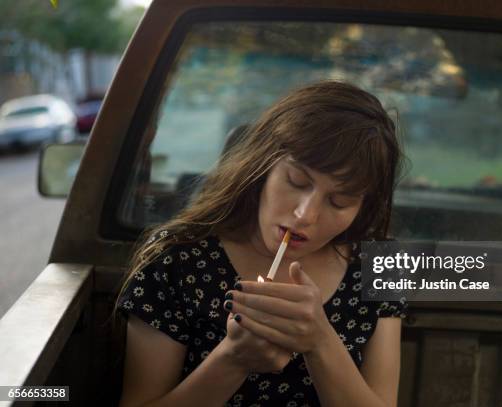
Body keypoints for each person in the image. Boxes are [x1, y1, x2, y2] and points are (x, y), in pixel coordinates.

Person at [115, 80, 408, 407]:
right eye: (296, 181)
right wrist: (234, 358)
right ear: (263, 164)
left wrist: (320, 341)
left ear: (363, 206)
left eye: (339, 202)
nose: (305, 214)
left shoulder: (378, 262)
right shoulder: (176, 258)